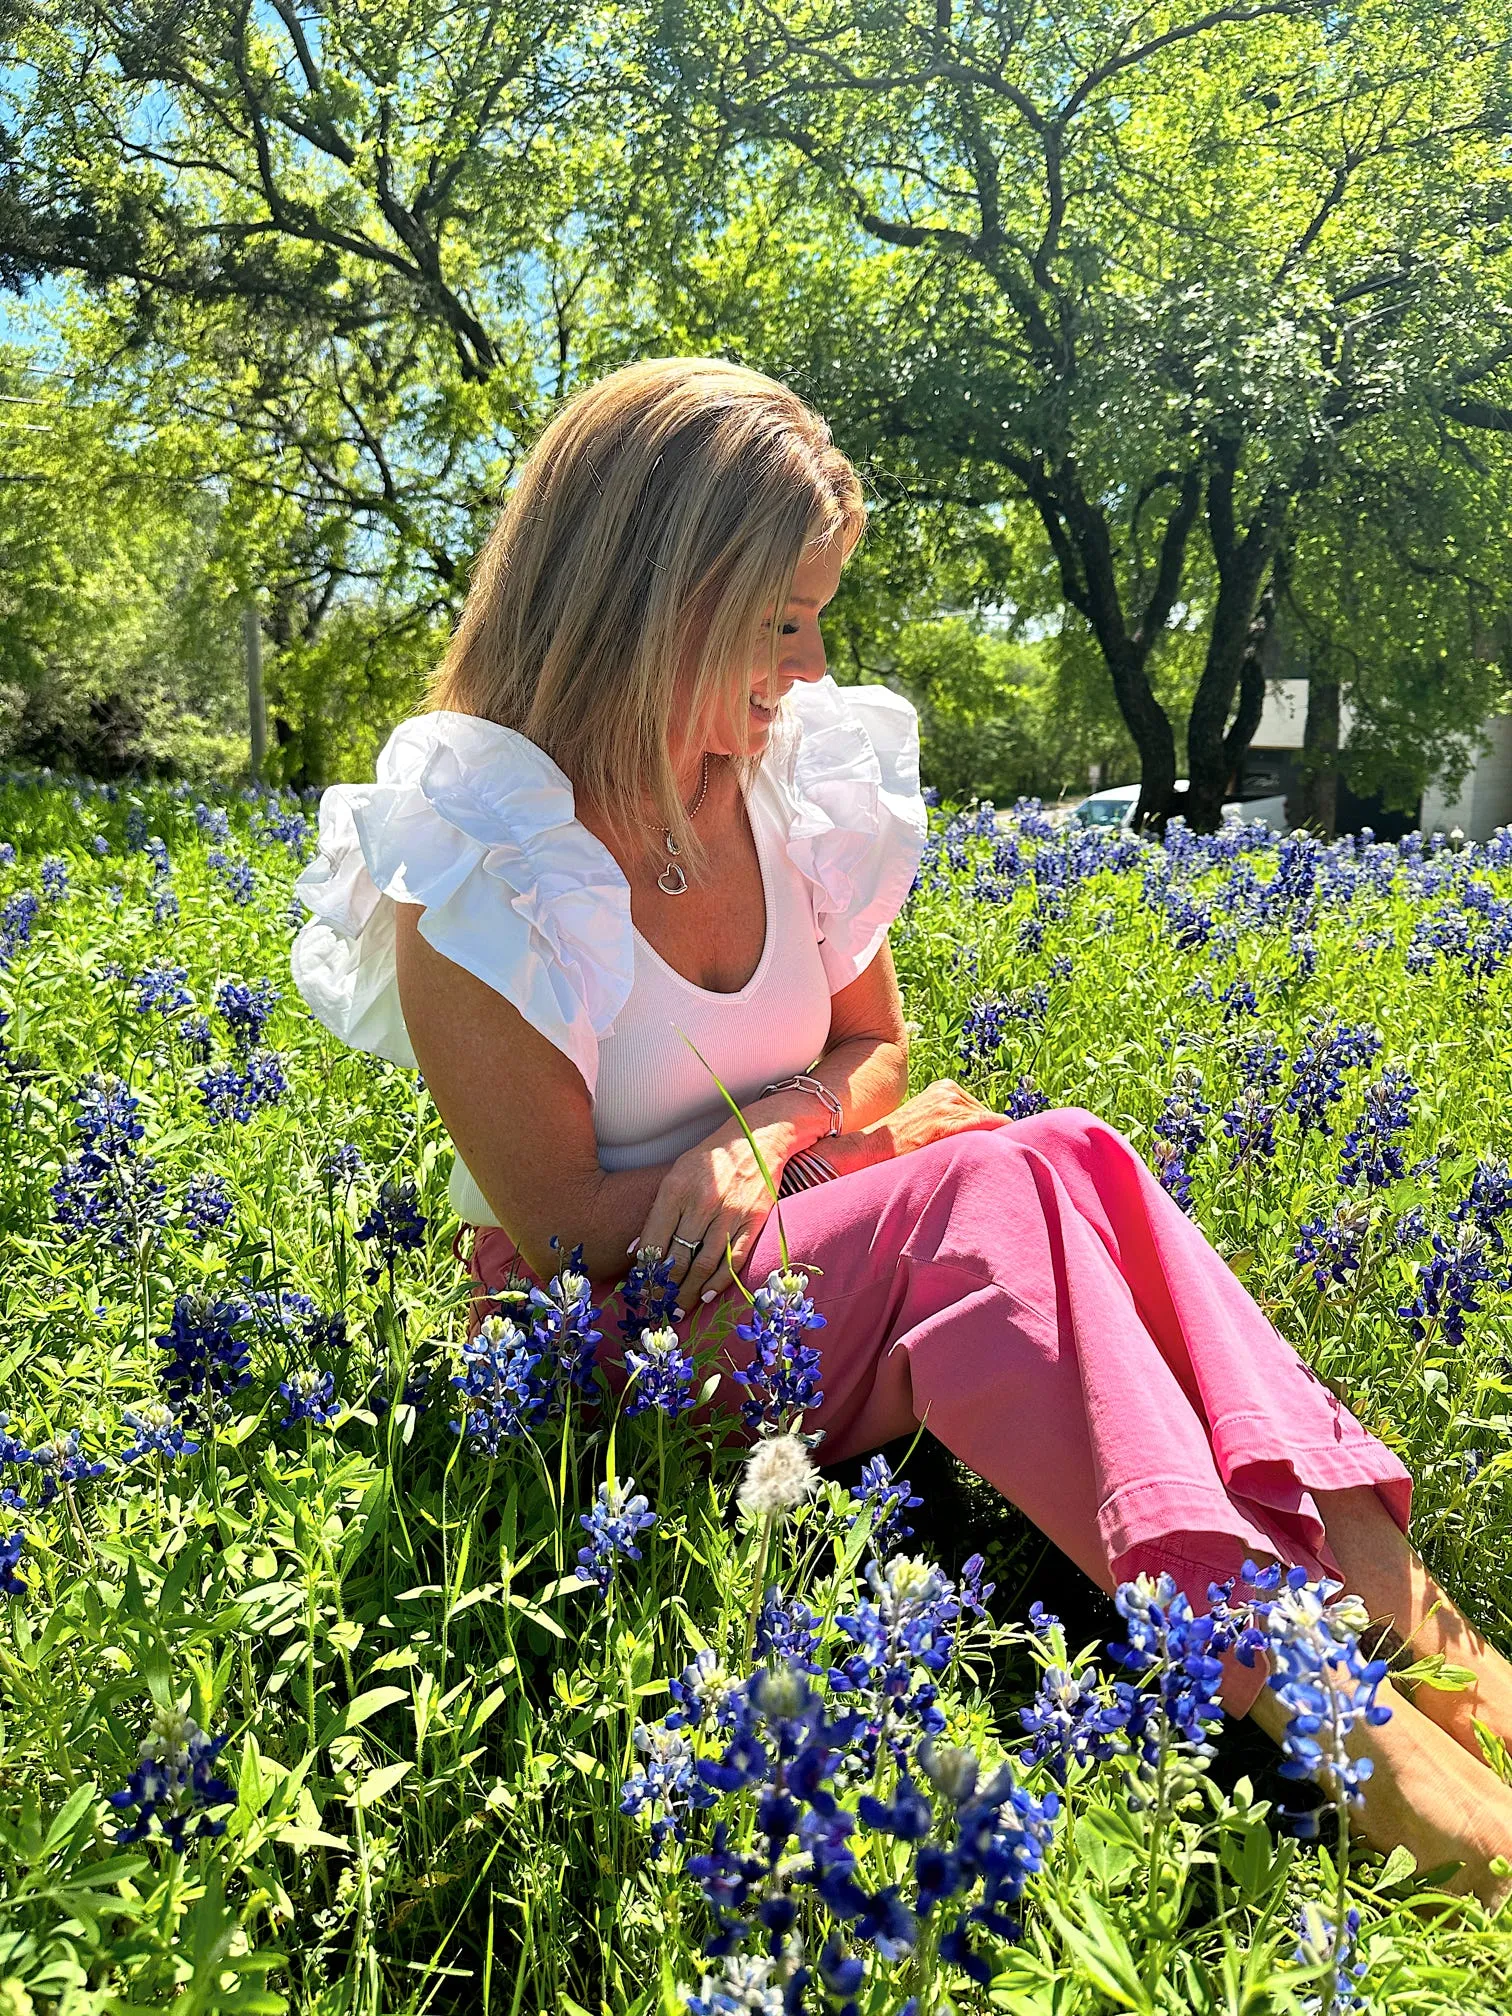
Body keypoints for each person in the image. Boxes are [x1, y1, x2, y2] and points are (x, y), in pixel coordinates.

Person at [291, 355, 1512, 1908]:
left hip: (805, 1274)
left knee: (1066, 1147)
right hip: (614, 1351)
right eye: (780, 619)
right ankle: (1351, 1738)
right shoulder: (479, 856)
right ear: (655, 596)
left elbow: (875, 1046)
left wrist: (780, 1131)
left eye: (818, 616)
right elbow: (562, 1231)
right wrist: (860, 1159)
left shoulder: (792, 791)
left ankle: (1421, 1623)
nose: (809, 664)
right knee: (989, 1181)